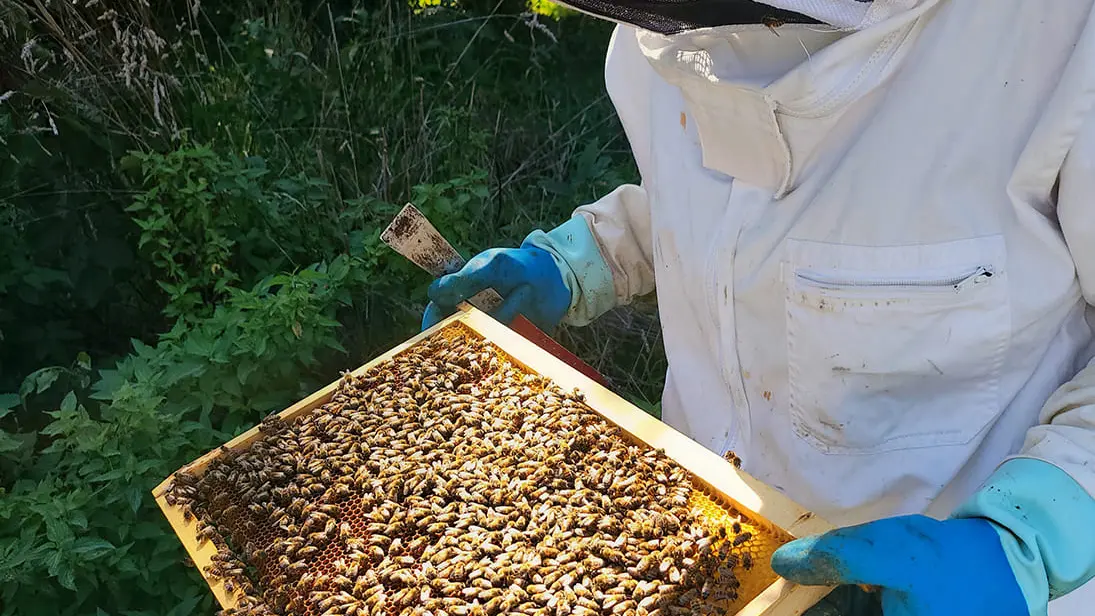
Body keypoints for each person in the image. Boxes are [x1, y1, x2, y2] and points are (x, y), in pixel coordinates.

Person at [422, 1, 1095, 614]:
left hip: (957, 583)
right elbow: (719, 200)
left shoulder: (1056, 39)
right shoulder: (648, 43)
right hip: (701, 540)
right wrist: (586, 257)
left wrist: (1030, 534)